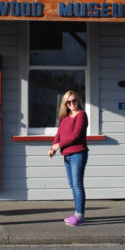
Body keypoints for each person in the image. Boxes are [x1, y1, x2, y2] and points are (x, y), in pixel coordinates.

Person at [48, 90, 88, 226]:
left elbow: (75, 136)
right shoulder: (64, 118)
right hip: (66, 155)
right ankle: (77, 212)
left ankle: (80, 216)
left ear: (79, 100)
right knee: (72, 184)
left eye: (74, 100)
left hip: (78, 154)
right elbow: (58, 134)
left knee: (77, 184)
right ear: (65, 104)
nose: (72, 104)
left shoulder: (82, 115)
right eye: (68, 102)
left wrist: (58, 145)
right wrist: (53, 147)